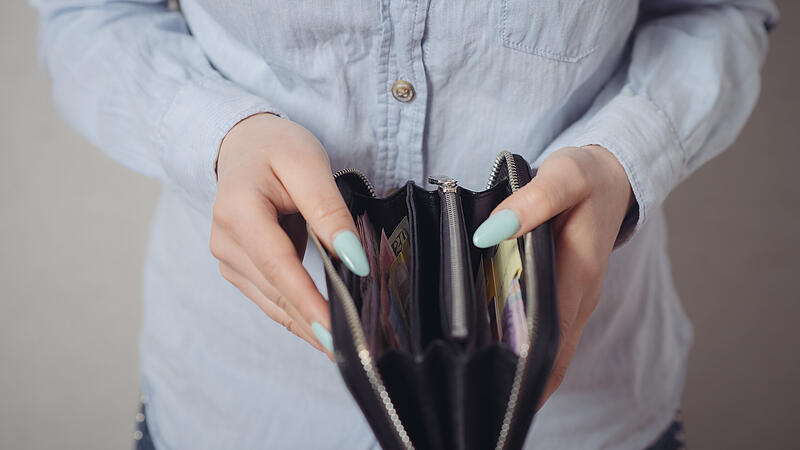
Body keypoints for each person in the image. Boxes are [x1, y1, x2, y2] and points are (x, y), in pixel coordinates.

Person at [30, 0, 777, 448]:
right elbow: (90, 14)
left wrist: (627, 154)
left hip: (582, 414)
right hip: (239, 405)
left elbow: (714, 11)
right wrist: (216, 136)